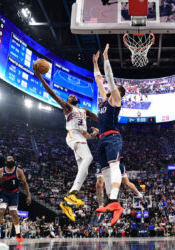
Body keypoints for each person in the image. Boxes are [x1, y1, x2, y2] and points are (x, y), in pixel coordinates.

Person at [34, 68, 98, 222]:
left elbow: (90, 128)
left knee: (85, 171)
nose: (72, 95)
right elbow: (53, 94)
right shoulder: (68, 108)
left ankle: (66, 203)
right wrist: (41, 78)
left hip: (80, 138)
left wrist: (95, 134)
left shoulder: (83, 110)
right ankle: (72, 194)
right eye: (69, 96)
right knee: (88, 158)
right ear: (68, 101)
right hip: (72, 136)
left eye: (73, 95)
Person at [93, 44, 126, 226]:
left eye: (114, 88)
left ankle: (115, 202)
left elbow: (109, 79)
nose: (108, 89)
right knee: (105, 173)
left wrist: (106, 59)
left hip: (113, 137)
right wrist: (95, 63)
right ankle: (110, 203)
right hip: (101, 139)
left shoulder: (116, 99)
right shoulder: (104, 100)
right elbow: (99, 80)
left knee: (114, 168)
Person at [0, 156, 31, 243]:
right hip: (4, 192)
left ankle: (18, 233)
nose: (10, 160)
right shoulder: (1, 171)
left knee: (13, 213)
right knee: (1, 210)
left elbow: (25, 184)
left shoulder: (18, 171)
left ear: (14, 161)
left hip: (14, 193)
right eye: (8, 159)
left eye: (11, 159)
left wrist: (28, 195)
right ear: (6, 161)